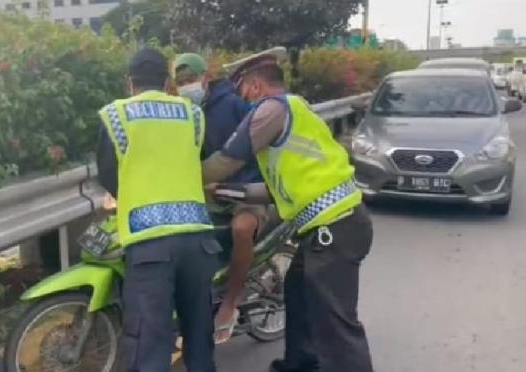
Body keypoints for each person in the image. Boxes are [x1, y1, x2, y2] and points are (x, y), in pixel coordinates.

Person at [202, 49, 374, 372]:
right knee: (297, 292)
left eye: (241, 89)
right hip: (331, 226)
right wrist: (226, 191)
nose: (241, 100)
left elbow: (226, 160)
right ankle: (300, 363)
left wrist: (184, 178)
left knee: (335, 322)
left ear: (254, 85)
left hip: (335, 227)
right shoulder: (293, 112)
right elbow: (274, 191)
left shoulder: (272, 109)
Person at [96, 48, 220, 372]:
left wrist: (135, 196)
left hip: (149, 242)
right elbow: (201, 160)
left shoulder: (116, 115)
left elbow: (108, 173)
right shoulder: (192, 114)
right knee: (199, 335)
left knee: (150, 341)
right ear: (167, 82)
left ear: (129, 82)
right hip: (197, 240)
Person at [173, 53, 268, 344]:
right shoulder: (181, 112)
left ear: (205, 77)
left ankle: (230, 304)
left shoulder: (234, 105)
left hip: (247, 191)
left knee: (241, 230)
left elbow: (258, 144)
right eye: (181, 82)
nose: (187, 86)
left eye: (191, 80)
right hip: (207, 193)